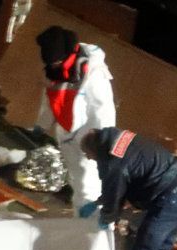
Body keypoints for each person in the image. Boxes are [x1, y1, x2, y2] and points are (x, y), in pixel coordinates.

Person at [34, 25, 116, 213]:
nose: (53, 67)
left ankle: (92, 225)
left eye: (56, 63)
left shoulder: (93, 72)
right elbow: (50, 99)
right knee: (77, 179)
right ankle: (81, 219)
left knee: (89, 182)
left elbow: (102, 108)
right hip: (67, 134)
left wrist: (102, 142)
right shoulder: (54, 71)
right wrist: (42, 123)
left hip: (89, 138)